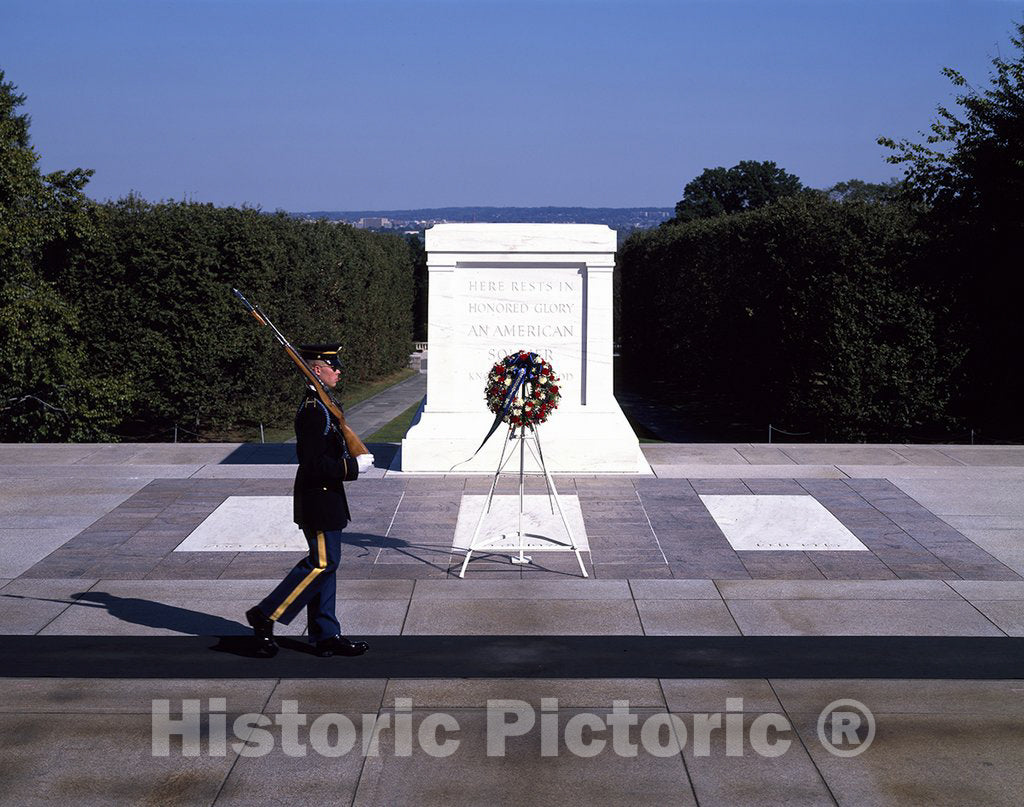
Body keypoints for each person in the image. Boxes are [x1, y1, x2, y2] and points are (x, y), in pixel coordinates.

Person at [245, 344, 373, 658]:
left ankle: (325, 633)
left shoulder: (323, 405)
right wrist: (352, 467)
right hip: (318, 498)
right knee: (323, 563)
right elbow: (312, 464)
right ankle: (265, 613)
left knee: (327, 567)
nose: (339, 371)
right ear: (317, 370)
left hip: (328, 499)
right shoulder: (313, 412)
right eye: (333, 367)